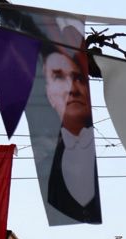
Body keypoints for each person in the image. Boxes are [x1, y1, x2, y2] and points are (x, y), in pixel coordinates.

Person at [41, 42, 101, 223]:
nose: (72, 90)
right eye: (59, 77)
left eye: (78, 78)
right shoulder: (46, 163)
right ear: (49, 94)